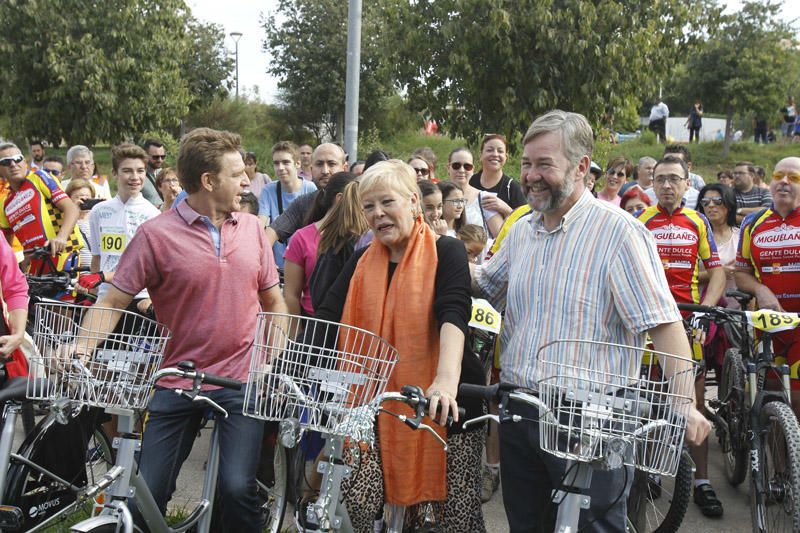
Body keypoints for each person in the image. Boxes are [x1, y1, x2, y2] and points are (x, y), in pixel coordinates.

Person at [473, 110, 710, 532]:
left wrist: (683, 405)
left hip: (593, 422)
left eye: (545, 164)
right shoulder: (523, 230)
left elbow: (663, 323)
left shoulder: (619, 233)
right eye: (526, 164)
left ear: (582, 167)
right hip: (521, 412)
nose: (530, 175)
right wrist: (433, 251)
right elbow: (486, 286)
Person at [80, 127, 286, 532]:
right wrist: (81, 346)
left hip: (240, 379)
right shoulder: (155, 235)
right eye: (237, 173)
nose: (247, 181)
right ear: (209, 181)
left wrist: (270, 357)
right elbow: (113, 300)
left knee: (238, 488)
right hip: (177, 378)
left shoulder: (252, 231)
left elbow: (274, 301)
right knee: (146, 493)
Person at [315, 160, 487, 533]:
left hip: (446, 406)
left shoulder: (448, 251)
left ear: (413, 201)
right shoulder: (363, 260)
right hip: (375, 401)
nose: (378, 214)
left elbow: (453, 313)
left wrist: (444, 380)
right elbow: (327, 318)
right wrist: (285, 366)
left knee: (453, 519)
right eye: (369, 207)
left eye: (387, 203)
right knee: (355, 506)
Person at [637, 155, 726, 518]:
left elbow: (717, 272)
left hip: (688, 321)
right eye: (661, 179)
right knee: (649, 402)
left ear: (687, 184)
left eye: (675, 179)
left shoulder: (697, 220)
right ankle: (652, 470)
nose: (668, 185)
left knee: (695, 402)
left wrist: (705, 308)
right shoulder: (639, 219)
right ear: (652, 184)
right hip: (648, 323)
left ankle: (702, 481)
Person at [736, 157, 800, 417]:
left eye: (793, 178)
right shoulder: (752, 222)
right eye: (779, 176)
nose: (784, 182)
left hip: (798, 325)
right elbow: (741, 272)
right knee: (770, 407)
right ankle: (777, 458)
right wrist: (761, 290)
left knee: (796, 402)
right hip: (768, 325)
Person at [77, 143, 162, 316]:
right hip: (106, 296)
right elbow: (97, 256)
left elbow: (152, 267)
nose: (135, 177)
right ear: (115, 173)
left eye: (140, 171)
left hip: (139, 298)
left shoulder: (153, 215)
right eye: (127, 171)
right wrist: (93, 291)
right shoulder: (98, 212)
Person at [0, 142, 84, 273]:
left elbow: (72, 209)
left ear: (24, 162)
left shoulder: (39, 177)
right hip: (34, 266)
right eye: (6, 162)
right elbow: (4, 247)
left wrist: (61, 237)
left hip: (63, 254)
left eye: (17, 159)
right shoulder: (5, 203)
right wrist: (18, 265)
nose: (13, 164)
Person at [284, 171, 357, 317]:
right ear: (340, 199)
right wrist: (297, 334)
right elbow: (291, 295)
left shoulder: (359, 237)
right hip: (312, 323)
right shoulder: (301, 238)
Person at [265, 143, 346, 247]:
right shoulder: (305, 202)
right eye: (319, 164)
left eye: (332, 164)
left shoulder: (360, 201)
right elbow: (271, 233)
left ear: (344, 168)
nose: (325, 171)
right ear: (311, 169)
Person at [259, 141, 317, 268]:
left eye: (285, 162)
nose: (280, 168)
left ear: (297, 164)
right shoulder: (268, 190)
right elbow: (260, 224)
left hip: (303, 263)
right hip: (277, 266)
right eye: (276, 163)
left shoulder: (310, 188)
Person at [696, 184, 739, 308]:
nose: (710, 205)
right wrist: (719, 273)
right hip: (701, 309)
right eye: (705, 202)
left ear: (729, 205)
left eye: (717, 201)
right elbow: (684, 276)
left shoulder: (741, 237)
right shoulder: (694, 238)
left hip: (735, 311)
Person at [447, 148, 503, 239]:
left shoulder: (484, 198)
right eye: (456, 166)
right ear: (448, 168)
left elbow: (500, 237)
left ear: (473, 169)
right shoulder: (438, 195)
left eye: (467, 166)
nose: (461, 170)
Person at [469, 134, 526, 218]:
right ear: (481, 155)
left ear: (506, 157)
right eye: (489, 150)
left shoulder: (513, 188)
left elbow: (526, 222)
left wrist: (506, 209)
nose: (495, 154)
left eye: (500, 151)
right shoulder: (471, 181)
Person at [65, 178, 96, 269]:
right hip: (75, 274)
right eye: (78, 197)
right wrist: (74, 212)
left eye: (87, 197)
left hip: (96, 274)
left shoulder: (97, 220)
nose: (83, 201)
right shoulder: (65, 221)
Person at [142, 139, 167, 206]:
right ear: (145, 155)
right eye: (155, 157)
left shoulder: (165, 174)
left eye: (163, 157)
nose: (160, 160)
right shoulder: (138, 177)